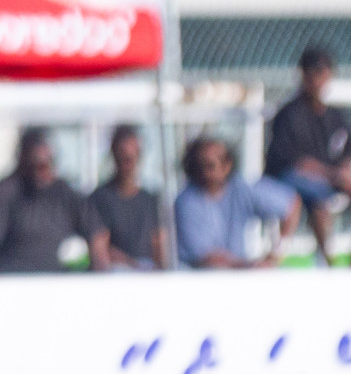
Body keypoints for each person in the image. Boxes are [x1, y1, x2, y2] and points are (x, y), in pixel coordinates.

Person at [0, 128, 111, 275]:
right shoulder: (6, 192)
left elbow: (97, 233)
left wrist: (97, 276)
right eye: (35, 165)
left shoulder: (64, 194)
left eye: (45, 165)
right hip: (12, 283)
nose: (40, 172)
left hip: (55, 284)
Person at [265, 46, 350, 266]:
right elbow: (293, 161)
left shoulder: (334, 115)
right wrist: (332, 174)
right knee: (319, 198)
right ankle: (328, 261)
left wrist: (343, 171)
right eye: (313, 72)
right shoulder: (289, 114)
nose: (318, 79)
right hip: (290, 177)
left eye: (322, 72)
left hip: (329, 177)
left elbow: (345, 151)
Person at [175, 136, 301, 269]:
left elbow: (292, 203)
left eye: (210, 166)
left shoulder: (240, 189)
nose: (204, 172)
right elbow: (206, 258)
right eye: (198, 166)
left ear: (227, 166)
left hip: (239, 278)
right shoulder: (185, 202)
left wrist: (277, 253)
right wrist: (253, 266)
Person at [88, 125, 165, 270]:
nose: (128, 162)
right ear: (114, 155)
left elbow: (161, 250)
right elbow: (100, 253)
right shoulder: (98, 199)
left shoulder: (152, 201)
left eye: (132, 156)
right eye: (123, 156)